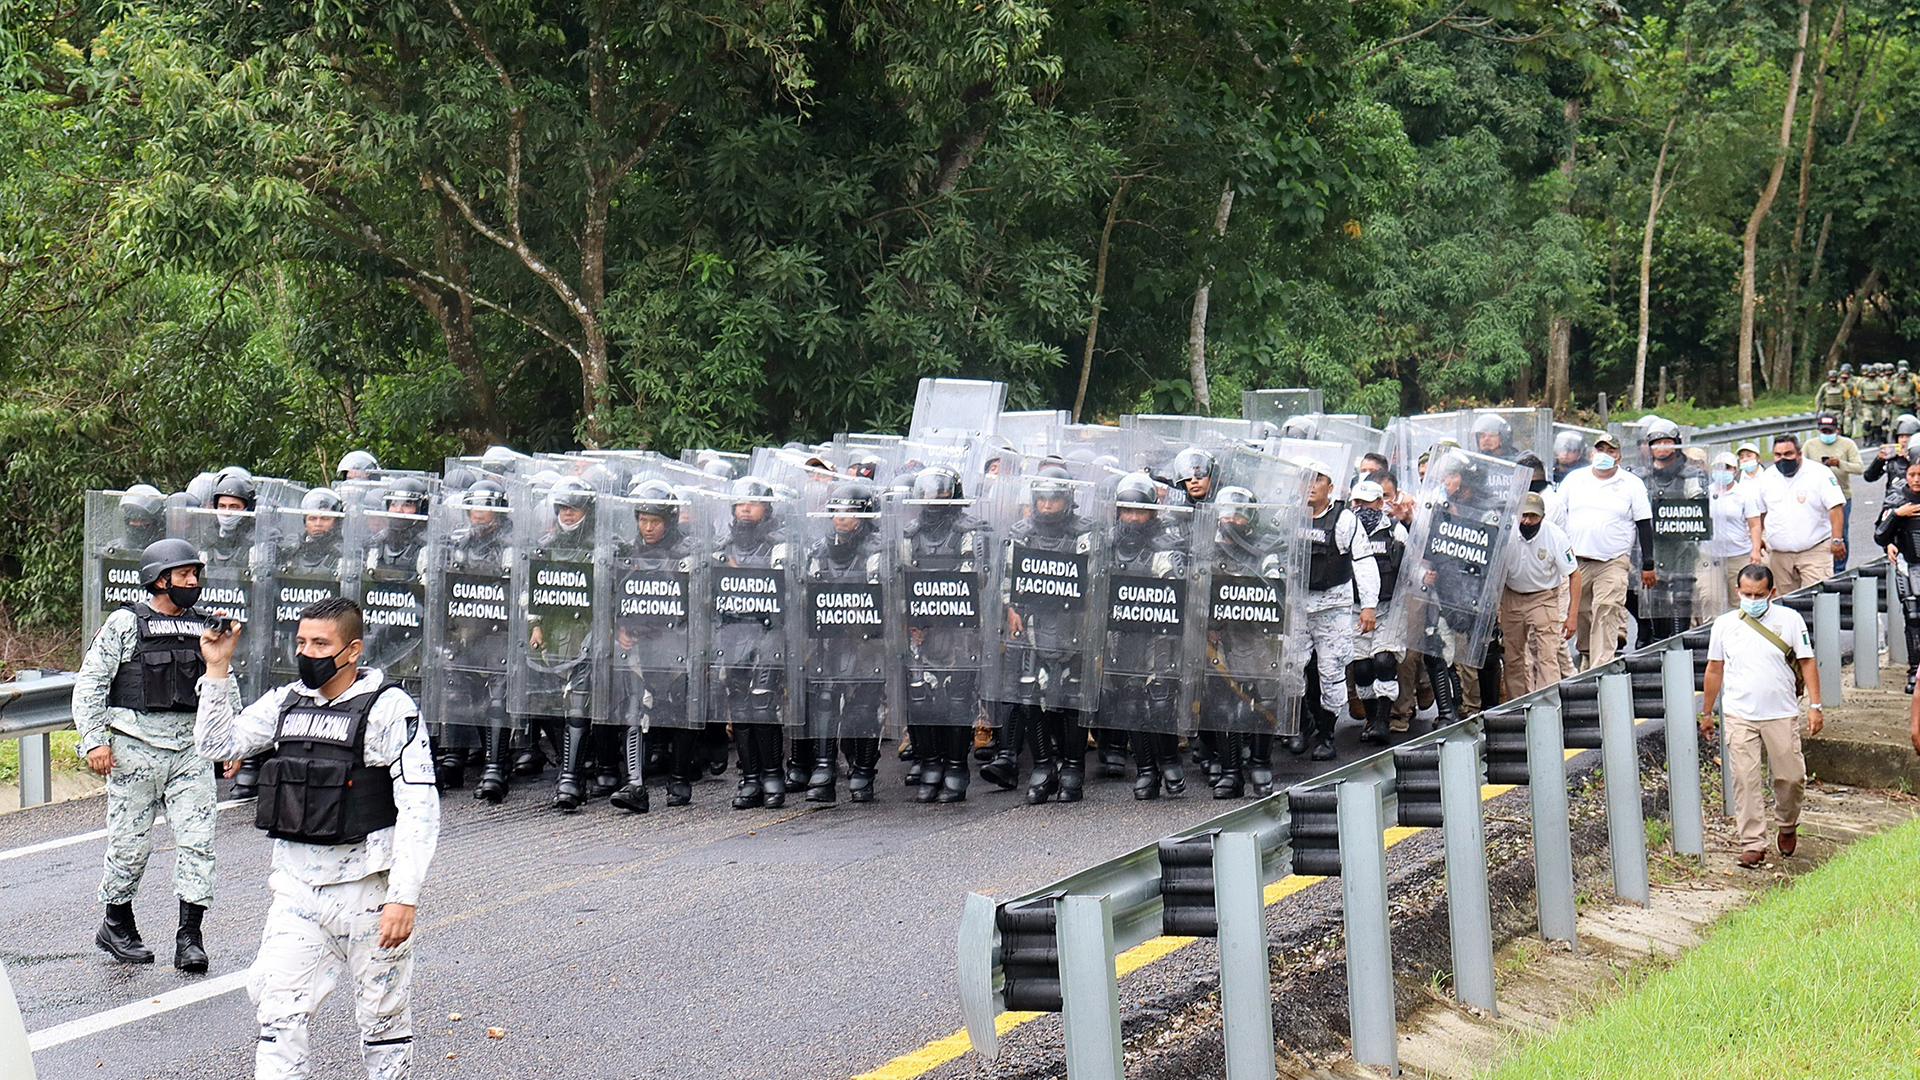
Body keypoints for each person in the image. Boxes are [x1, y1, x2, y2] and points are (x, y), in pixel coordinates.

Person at [194, 596, 440, 1080]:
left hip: (369, 891)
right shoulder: (286, 703)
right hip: (296, 890)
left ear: (352, 650)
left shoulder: (389, 709)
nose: (307, 652)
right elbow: (216, 746)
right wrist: (218, 670)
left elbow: (419, 807)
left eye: (320, 644)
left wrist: (404, 897)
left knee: (383, 1021)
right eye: (302, 642)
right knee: (278, 1016)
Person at [73, 538, 218, 970]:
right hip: (133, 750)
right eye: (184, 575)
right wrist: (94, 740)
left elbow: (221, 682)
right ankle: (116, 923)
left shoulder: (206, 625)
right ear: (159, 580)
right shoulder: (124, 624)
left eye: (195, 574)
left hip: (190, 750)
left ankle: (190, 937)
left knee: (199, 843)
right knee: (130, 845)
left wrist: (228, 741)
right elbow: (91, 684)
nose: (193, 582)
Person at [1700, 564, 1820, 869]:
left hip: (1780, 712)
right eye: (1747, 594)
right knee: (1744, 779)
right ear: (1738, 591)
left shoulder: (1790, 620)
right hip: (1739, 713)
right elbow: (1714, 669)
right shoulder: (1724, 625)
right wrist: (1706, 712)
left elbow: (1807, 662)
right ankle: (1752, 842)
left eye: (1759, 595)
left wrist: (1815, 706)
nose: (1752, 599)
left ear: (1772, 593)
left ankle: (1787, 823)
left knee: (1791, 778)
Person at [1295, 460, 1378, 760]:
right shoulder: (1291, 518)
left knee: (1331, 672)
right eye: (1307, 479)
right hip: (1297, 608)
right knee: (1292, 671)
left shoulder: (1344, 520)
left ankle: (1327, 736)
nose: (1311, 485)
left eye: (1318, 480)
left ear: (1330, 488)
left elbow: (1364, 561)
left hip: (1333, 609)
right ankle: (1303, 725)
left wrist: (1368, 605)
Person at [1557, 433, 1655, 668]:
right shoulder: (1574, 480)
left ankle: (1601, 666)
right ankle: (1588, 656)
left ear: (1619, 457)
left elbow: (1644, 524)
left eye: (1610, 451)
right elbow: (1558, 517)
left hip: (1613, 559)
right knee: (1581, 612)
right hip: (1577, 559)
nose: (1605, 455)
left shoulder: (1631, 484)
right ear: (1592, 454)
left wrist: (1648, 564)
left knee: (1606, 609)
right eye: (1601, 450)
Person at [1498, 492, 1579, 697]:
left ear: (1542, 516)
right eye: (1523, 515)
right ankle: (1517, 704)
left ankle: (1548, 703)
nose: (1527, 521)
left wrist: (1572, 616)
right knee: (1513, 656)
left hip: (1543, 596)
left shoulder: (1555, 536)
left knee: (1547, 654)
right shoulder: (1505, 532)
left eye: (1533, 516)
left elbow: (1574, 574)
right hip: (1512, 595)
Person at [1745, 433, 1845, 592]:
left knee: (1817, 600)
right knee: (1783, 604)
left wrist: (1837, 540)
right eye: (1778, 455)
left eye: (1788, 454)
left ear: (1799, 454)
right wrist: (1757, 545)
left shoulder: (1819, 473)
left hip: (1814, 551)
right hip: (1779, 555)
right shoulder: (1767, 477)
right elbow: (1759, 515)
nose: (1783, 459)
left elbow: (1835, 507)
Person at [1350, 479, 1407, 742]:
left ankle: (1383, 721)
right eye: (1355, 503)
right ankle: (1370, 720)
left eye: (1366, 502)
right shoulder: (1345, 529)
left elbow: (1409, 566)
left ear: (1380, 503)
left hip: (1389, 606)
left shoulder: (1395, 530)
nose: (1360, 508)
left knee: (1384, 661)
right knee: (1362, 668)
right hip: (1354, 607)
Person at [1875, 456, 1920, 692]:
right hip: (1907, 563)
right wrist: (1897, 515)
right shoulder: (1896, 498)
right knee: (1913, 617)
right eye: (1912, 475)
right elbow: (1880, 534)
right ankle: (1914, 670)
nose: (1916, 480)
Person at [1809, 413, 1864, 571]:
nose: (1827, 435)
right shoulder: (1810, 445)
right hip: (1816, 498)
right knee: (1816, 533)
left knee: (1840, 533)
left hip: (1842, 496)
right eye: (1823, 431)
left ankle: (1839, 568)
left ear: (1837, 429)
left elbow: (1859, 468)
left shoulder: (1847, 444)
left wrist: (1839, 463)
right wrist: (1818, 466)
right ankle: (1819, 566)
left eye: (1830, 431)